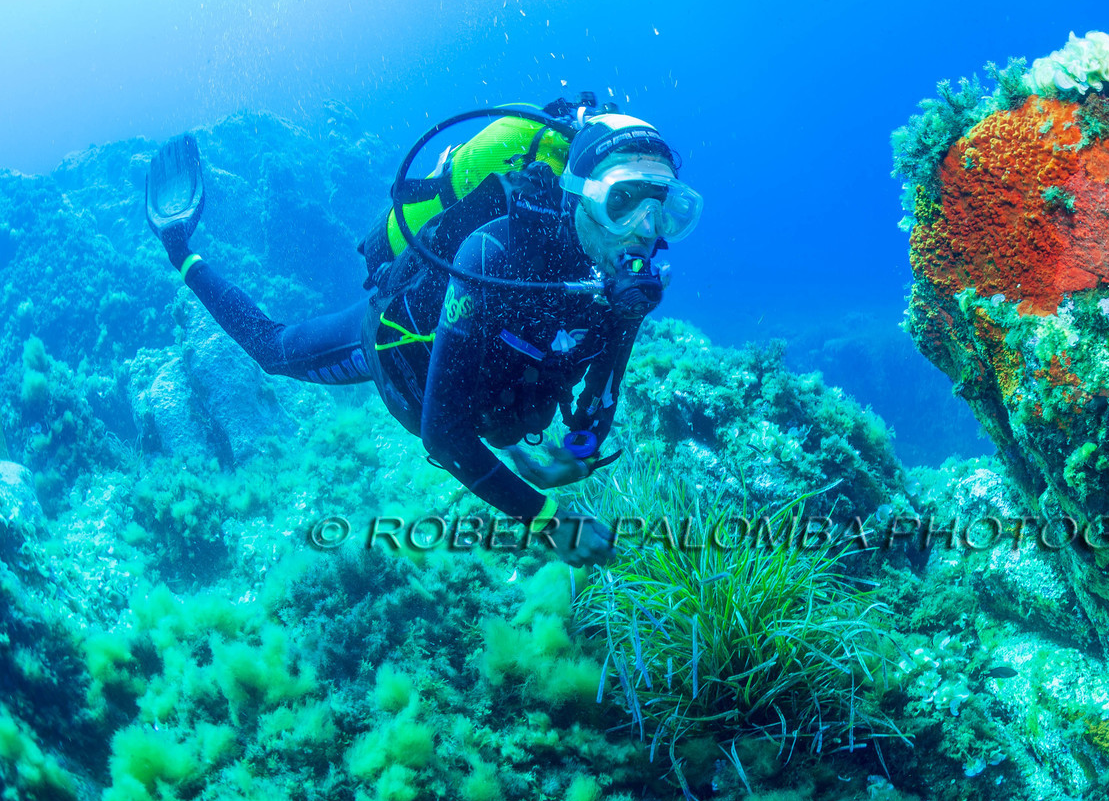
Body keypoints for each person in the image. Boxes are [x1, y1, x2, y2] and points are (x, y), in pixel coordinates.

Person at [143, 100, 703, 567]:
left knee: (512, 391)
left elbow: (600, 388)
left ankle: (517, 452)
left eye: (667, 211)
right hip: (402, 363)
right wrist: (548, 522)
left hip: (496, 392)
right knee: (272, 349)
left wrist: (579, 448)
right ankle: (178, 246)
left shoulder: (618, 286)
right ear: (581, 192)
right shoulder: (493, 251)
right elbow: (442, 432)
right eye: (623, 202)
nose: (643, 234)